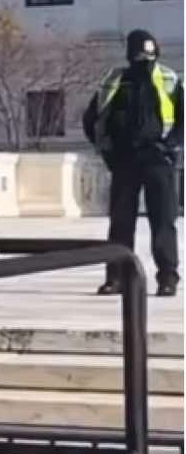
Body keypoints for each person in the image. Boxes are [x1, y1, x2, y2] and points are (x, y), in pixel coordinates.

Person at [83, 29, 183, 298]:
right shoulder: (114, 81)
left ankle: (167, 278)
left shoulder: (170, 79)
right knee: (121, 223)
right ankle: (117, 278)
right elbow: (92, 119)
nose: (144, 61)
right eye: (139, 55)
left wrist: (171, 147)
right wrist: (108, 153)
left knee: (163, 221)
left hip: (158, 160)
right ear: (130, 55)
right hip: (125, 160)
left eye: (148, 56)